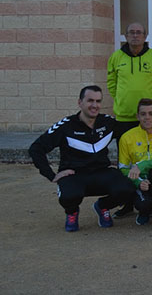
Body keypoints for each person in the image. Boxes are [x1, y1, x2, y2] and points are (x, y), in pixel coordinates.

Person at [29, 85, 134, 231]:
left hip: (102, 172)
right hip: (74, 174)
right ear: (80, 102)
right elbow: (36, 149)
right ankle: (72, 212)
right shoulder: (65, 126)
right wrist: (51, 175)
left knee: (127, 188)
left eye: (98, 101)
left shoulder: (108, 123)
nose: (94, 105)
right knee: (69, 195)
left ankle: (102, 207)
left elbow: (135, 131)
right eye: (90, 100)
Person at [118, 98, 152, 232]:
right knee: (144, 204)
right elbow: (123, 168)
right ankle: (145, 211)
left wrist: (141, 165)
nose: (147, 118)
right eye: (143, 114)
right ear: (137, 116)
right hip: (140, 180)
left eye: (151, 113)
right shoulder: (127, 137)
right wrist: (139, 181)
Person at [107, 22, 152, 138]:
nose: (135, 36)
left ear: (145, 36)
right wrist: (121, 98)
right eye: (131, 33)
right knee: (125, 153)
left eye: (139, 33)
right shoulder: (116, 57)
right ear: (126, 36)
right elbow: (111, 83)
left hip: (149, 116)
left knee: (148, 152)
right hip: (124, 116)